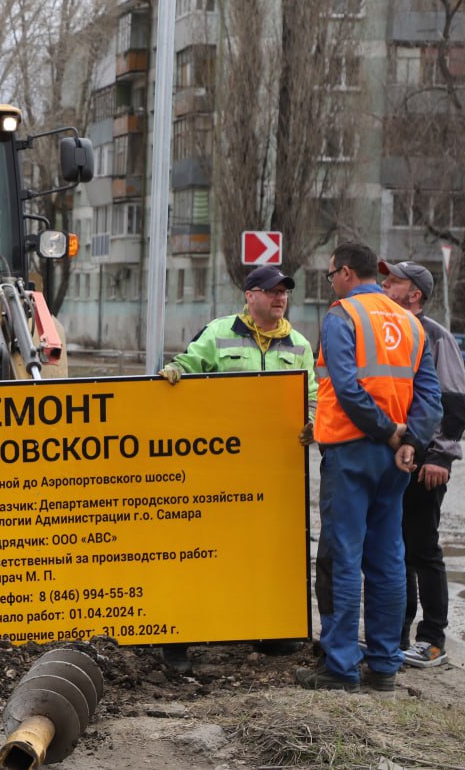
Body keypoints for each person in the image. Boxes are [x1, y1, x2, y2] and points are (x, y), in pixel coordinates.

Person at [296, 243, 442, 692]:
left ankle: (340, 667)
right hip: (394, 459)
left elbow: (346, 388)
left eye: (328, 276)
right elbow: (430, 400)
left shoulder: (343, 317)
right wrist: (410, 441)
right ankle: (383, 666)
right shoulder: (411, 324)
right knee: (388, 558)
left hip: (352, 450)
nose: (330, 285)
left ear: (343, 273)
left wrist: (388, 433)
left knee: (343, 556)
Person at [158, 265, 319, 671]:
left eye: (284, 292)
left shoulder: (299, 344)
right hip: (219, 469)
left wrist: (314, 422)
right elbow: (189, 365)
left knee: (268, 553)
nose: (279, 298)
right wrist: (175, 373)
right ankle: (182, 638)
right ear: (250, 296)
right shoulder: (218, 333)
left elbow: (313, 395)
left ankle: (271, 629)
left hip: (275, 472)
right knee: (202, 550)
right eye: (271, 291)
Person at [381, 259, 465, 668]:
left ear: (414, 294)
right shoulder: (390, 332)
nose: (385, 284)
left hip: (425, 463)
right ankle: (398, 635)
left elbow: (453, 402)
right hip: (395, 460)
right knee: (396, 551)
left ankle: (432, 639)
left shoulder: (436, 337)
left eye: (393, 281)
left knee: (422, 550)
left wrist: (440, 456)